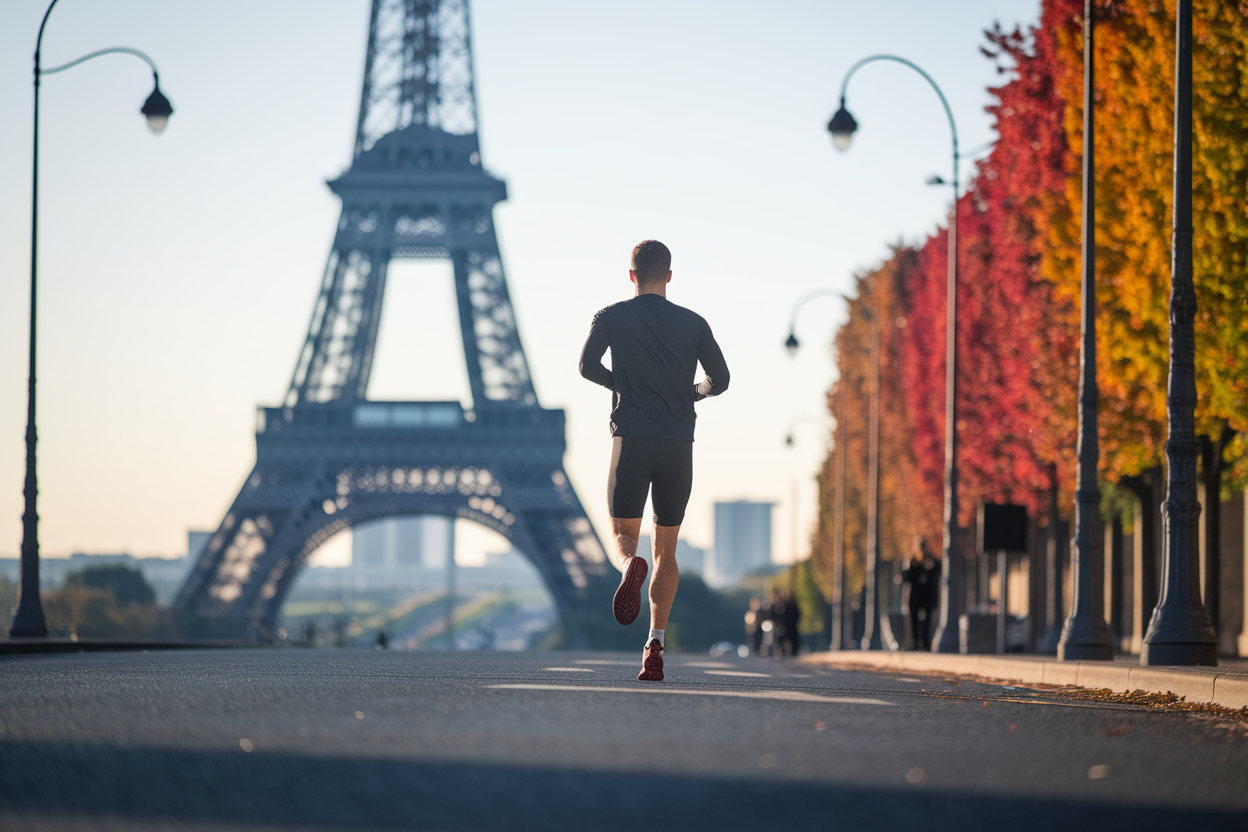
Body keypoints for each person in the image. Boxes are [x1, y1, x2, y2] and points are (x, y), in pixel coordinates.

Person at [579, 240, 730, 681]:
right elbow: (720, 380)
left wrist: (621, 385)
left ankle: (629, 566)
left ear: (631, 276)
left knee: (623, 535)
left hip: (631, 439)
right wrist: (691, 392)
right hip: (677, 444)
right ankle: (655, 642)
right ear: (669, 275)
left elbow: (587, 365)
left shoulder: (611, 317)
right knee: (667, 547)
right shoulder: (694, 322)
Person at [904, 539, 941, 650]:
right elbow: (908, 578)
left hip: (927, 596)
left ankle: (925, 643)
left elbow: (938, 570)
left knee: (927, 621)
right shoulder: (913, 560)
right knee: (914, 621)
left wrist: (932, 561)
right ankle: (915, 643)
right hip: (915, 596)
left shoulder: (931, 560)